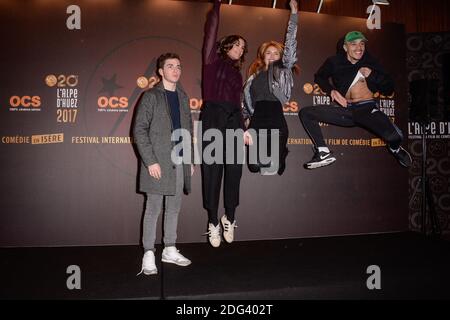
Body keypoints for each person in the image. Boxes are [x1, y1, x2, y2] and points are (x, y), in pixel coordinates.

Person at [298, 31, 412, 169]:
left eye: (362, 44)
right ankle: (323, 152)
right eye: (354, 44)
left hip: (367, 109)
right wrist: (331, 90)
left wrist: (372, 74)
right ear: (345, 47)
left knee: (395, 137)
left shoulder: (371, 62)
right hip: (347, 110)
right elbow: (320, 77)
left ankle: (396, 149)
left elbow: (389, 88)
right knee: (306, 113)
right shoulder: (334, 62)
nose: (359, 48)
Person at [134, 53, 194, 275]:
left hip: (179, 161)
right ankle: (148, 253)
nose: (175, 70)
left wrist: (190, 161)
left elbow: (187, 130)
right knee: (153, 209)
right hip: (158, 161)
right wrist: (150, 161)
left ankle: (169, 249)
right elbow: (139, 129)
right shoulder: (151, 96)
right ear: (160, 71)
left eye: (178, 66)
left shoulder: (183, 97)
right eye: (170, 66)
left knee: (174, 209)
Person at [201, 0, 248, 248]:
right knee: (212, 171)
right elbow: (211, 31)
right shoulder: (211, 61)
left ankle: (229, 217)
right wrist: (217, 6)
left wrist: (242, 129)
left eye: (243, 48)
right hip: (212, 117)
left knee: (234, 170)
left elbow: (238, 104)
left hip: (233, 120)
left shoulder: (238, 74)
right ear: (226, 46)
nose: (240, 49)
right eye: (237, 45)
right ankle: (212, 222)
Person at [243, 0, 299, 176]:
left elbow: (290, 44)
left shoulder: (282, 69)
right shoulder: (253, 77)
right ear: (263, 56)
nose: (273, 55)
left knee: (278, 168)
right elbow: (245, 102)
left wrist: (294, 15)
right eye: (269, 52)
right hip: (257, 119)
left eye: (276, 53)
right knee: (254, 167)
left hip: (276, 117)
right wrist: (246, 120)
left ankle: (282, 153)